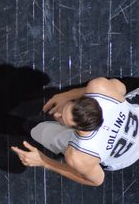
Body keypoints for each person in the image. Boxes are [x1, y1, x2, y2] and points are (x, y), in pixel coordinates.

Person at [11, 78, 139, 186]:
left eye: (62, 118)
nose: (56, 113)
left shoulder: (80, 155)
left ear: (79, 129)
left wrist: (43, 161)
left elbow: (97, 180)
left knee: (39, 132)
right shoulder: (99, 86)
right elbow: (121, 87)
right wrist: (67, 95)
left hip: (122, 159)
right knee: (116, 85)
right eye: (69, 106)